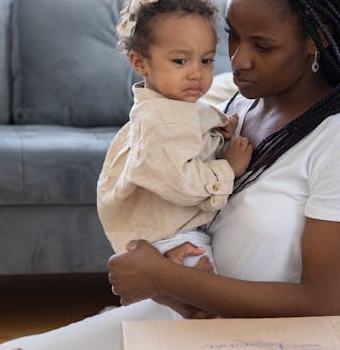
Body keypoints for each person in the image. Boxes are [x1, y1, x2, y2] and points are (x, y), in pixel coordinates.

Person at [4, 0, 340, 348]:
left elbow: (322, 304)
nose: (238, 60)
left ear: (319, 39)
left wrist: (166, 280)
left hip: (253, 338)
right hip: (185, 315)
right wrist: (169, 281)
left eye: (263, 46)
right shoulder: (242, 102)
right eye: (232, 37)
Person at [96, 0, 253, 268]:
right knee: (204, 283)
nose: (196, 73)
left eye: (206, 60)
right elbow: (178, 182)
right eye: (180, 61)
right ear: (140, 63)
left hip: (175, 226)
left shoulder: (175, 106)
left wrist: (220, 126)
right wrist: (227, 168)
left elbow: (195, 126)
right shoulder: (160, 121)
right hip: (166, 235)